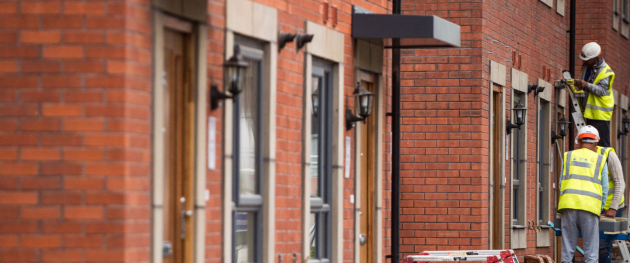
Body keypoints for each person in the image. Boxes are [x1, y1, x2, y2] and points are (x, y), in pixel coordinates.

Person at [559, 125, 609, 263]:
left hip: (568, 206)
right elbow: (604, 188)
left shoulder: (568, 156)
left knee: (567, 252)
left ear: (578, 141)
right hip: (590, 208)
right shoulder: (600, 159)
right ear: (596, 143)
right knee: (591, 253)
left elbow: (560, 183)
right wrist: (600, 209)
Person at [574, 42, 616, 147]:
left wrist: (586, 85)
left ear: (595, 58)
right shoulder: (586, 67)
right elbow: (586, 82)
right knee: (589, 143)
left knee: (601, 145)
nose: (584, 61)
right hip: (588, 112)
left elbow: (602, 91)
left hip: (600, 114)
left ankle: (605, 163)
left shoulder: (605, 71)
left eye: (587, 59)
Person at [598, 145, 626, 263]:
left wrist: (613, 208)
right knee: (592, 244)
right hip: (594, 207)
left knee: (604, 245)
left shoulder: (609, 155)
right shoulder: (584, 156)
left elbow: (620, 183)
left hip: (611, 207)